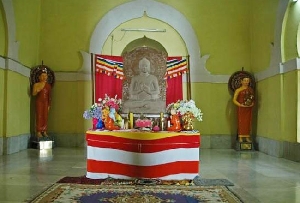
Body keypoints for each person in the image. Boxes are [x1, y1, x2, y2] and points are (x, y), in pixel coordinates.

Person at [232, 76, 255, 143]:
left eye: (247, 80)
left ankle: (247, 136)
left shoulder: (250, 90)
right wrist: (240, 105)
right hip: (241, 109)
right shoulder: (238, 90)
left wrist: (252, 104)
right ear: (241, 81)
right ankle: (240, 137)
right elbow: (234, 100)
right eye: (245, 80)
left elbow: (252, 99)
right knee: (241, 122)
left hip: (248, 109)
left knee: (248, 122)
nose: (246, 82)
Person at [32, 71, 51, 138]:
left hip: (45, 102)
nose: (44, 77)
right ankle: (39, 131)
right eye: (42, 76)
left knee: (45, 116)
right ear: (39, 77)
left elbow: (49, 96)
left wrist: (49, 105)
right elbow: (33, 94)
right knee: (39, 116)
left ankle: (44, 131)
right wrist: (37, 90)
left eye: (45, 76)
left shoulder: (48, 86)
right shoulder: (36, 85)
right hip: (39, 102)